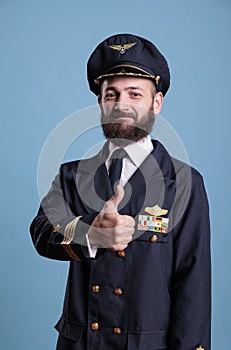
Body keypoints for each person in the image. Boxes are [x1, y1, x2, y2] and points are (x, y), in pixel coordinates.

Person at [30, 33, 211, 350]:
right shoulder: (72, 175)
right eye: (111, 94)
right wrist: (91, 234)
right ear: (100, 102)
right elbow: (41, 232)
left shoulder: (185, 182)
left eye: (134, 94)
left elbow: (193, 285)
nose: (121, 104)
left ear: (156, 102)